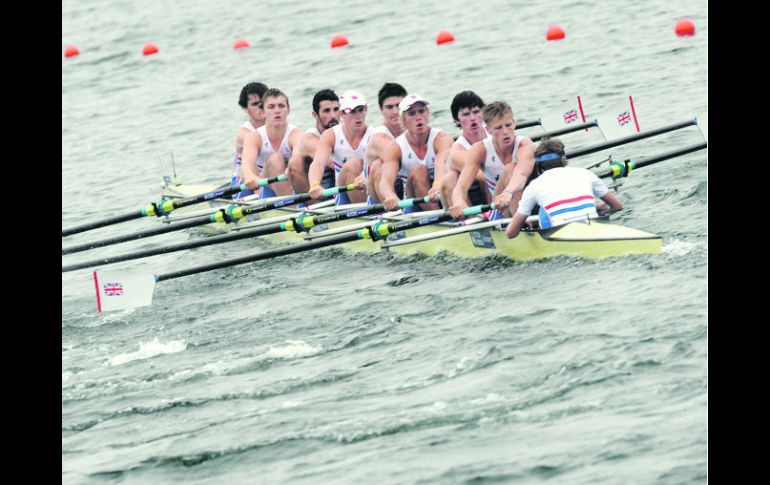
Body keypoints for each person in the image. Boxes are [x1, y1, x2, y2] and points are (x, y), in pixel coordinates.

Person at [506, 138, 623, 238]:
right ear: (563, 159)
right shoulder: (585, 173)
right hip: (595, 230)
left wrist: (527, 225)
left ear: (538, 165)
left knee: (543, 212)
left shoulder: (534, 186)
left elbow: (511, 233)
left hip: (562, 236)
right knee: (600, 206)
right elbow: (617, 206)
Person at [449, 101, 535, 219]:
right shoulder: (480, 149)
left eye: (508, 125)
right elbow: (461, 187)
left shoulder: (524, 145)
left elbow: (521, 174)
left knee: (511, 169)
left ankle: (522, 224)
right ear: (488, 130)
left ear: (514, 123)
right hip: (499, 208)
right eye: (498, 128)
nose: (505, 132)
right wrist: (459, 202)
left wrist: (508, 192)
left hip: (528, 202)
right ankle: (521, 226)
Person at [378, 94, 453, 211]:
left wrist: (438, 184)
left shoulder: (442, 138)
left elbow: (441, 162)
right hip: (413, 204)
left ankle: (445, 212)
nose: (418, 117)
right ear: (403, 120)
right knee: (419, 170)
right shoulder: (395, 147)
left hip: (440, 194)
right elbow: (385, 182)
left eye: (421, 111)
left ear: (427, 114)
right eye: (412, 113)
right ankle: (437, 215)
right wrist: (390, 196)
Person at [308, 90, 374, 204]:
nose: (358, 116)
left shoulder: (374, 135)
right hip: (342, 195)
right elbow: (318, 164)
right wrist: (315, 184)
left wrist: (365, 175)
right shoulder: (331, 135)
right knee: (353, 164)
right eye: (352, 111)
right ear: (342, 114)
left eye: (361, 110)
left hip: (369, 190)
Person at [240, 88, 303, 198]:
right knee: (275, 159)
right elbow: (246, 164)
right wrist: (250, 176)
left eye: (281, 106)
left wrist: (290, 169)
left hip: (288, 183)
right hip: (261, 188)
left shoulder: (296, 134)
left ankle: (293, 205)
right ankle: (293, 208)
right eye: (271, 107)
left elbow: (297, 156)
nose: (277, 110)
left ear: (288, 110)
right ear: (263, 112)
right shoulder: (254, 137)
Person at [286, 89, 341, 202]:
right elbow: (332, 162)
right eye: (326, 111)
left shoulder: (346, 129)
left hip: (340, 186)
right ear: (315, 115)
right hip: (319, 193)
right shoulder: (309, 138)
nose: (333, 115)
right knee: (295, 162)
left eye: (336, 109)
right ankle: (312, 208)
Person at [441, 90, 489, 207]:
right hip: (470, 196)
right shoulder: (457, 150)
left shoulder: (495, 132)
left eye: (476, 112)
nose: (473, 118)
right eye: (466, 114)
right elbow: (482, 175)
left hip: (495, 188)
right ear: (457, 120)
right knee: (450, 178)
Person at [363, 83, 408, 203]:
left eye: (398, 106)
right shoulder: (379, 137)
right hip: (379, 197)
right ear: (381, 110)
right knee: (378, 165)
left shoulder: (414, 129)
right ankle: (395, 212)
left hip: (404, 186)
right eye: (389, 107)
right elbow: (406, 157)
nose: (395, 112)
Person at [231, 82, 268, 198]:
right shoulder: (244, 133)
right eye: (255, 104)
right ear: (246, 109)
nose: (261, 107)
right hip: (243, 184)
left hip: (265, 177)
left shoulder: (277, 126)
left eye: (263, 102)